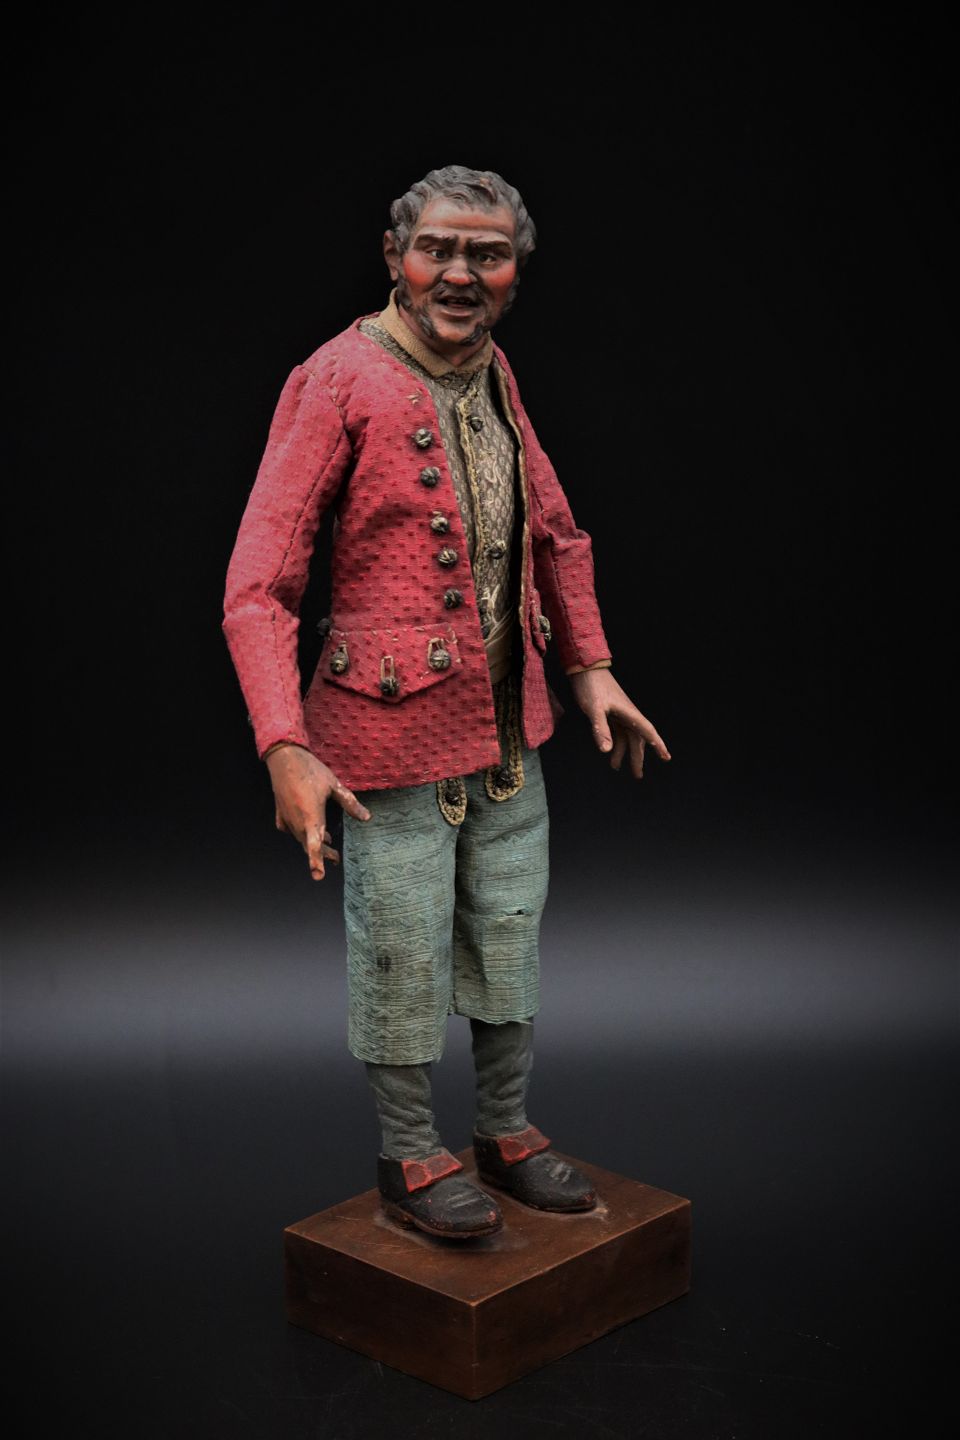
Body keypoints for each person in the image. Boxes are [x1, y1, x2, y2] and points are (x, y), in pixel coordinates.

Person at [223, 165, 670, 1241]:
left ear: (516, 273)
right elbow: (258, 587)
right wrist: (284, 744)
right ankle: (410, 1154)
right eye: (439, 250)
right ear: (396, 256)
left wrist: (591, 666)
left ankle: (505, 1129)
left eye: (489, 255)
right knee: (400, 945)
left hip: (510, 732)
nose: (461, 275)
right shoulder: (336, 379)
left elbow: (553, 528)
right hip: (384, 740)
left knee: (509, 930)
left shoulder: (494, 372)